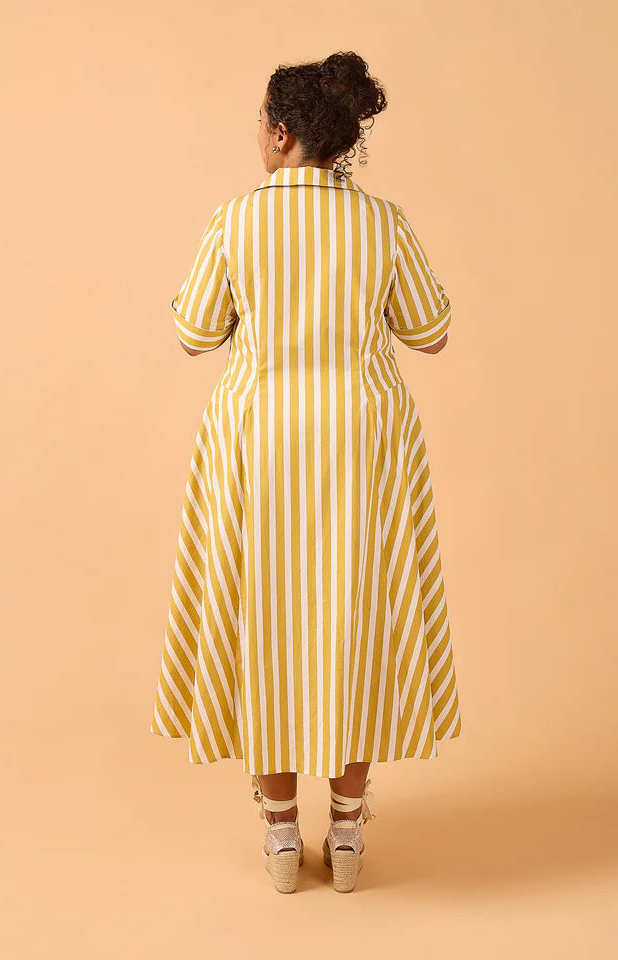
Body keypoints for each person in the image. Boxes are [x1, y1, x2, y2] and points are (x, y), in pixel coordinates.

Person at [150, 50, 462, 894]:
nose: (256, 133)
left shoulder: (237, 220)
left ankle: (283, 837)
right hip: (361, 444)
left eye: (260, 121)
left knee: (270, 629)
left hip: (260, 445)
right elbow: (430, 333)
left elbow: (194, 333)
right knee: (354, 621)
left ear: (282, 133)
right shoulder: (383, 222)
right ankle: (350, 833)